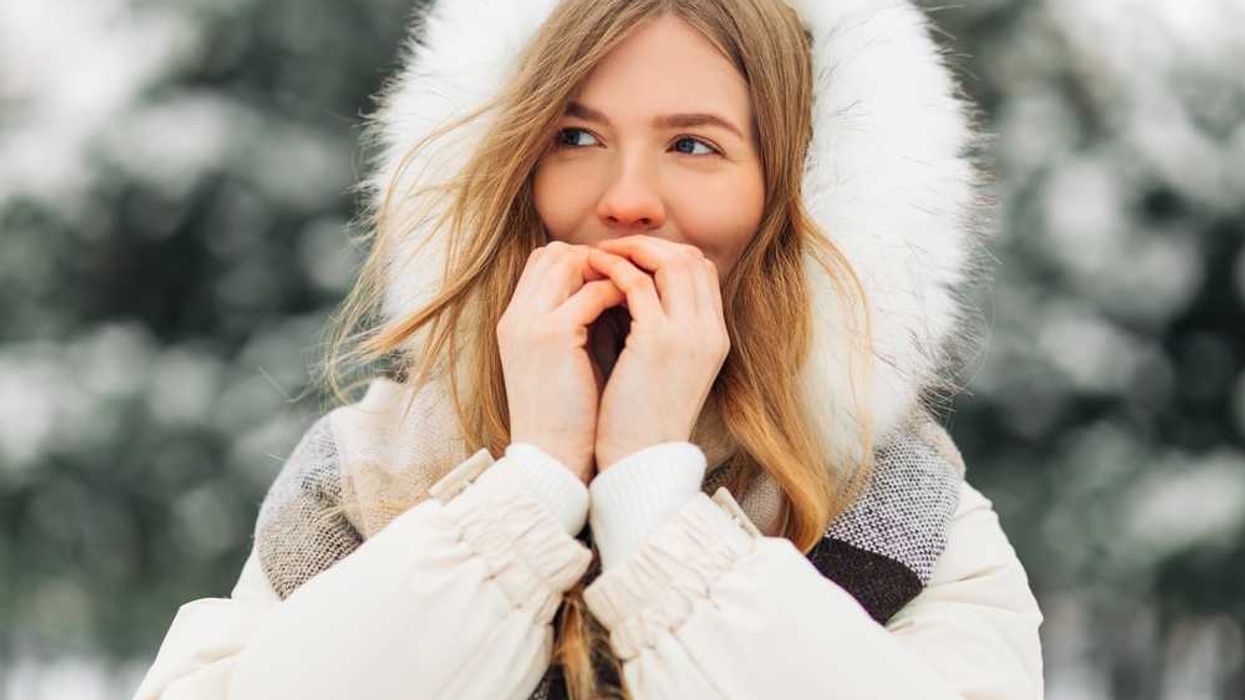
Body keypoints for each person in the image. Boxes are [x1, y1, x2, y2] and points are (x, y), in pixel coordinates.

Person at [131, 0, 1044, 698]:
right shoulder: (370, 471)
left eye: (693, 145)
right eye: (574, 137)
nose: (625, 198)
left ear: (801, 197)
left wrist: (651, 498)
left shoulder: (894, 505)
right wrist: (528, 492)